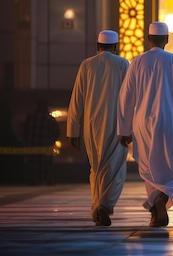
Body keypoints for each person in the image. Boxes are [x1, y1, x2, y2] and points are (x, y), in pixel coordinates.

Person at [117, 22, 173, 227]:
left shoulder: (137, 61)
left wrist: (124, 129)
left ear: (148, 39)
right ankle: (161, 200)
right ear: (167, 39)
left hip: (142, 122)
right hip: (168, 120)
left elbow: (126, 98)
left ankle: (156, 210)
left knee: (148, 167)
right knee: (167, 165)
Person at [67, 30, 129, 226]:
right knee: (115, 168)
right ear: (116, 47)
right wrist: (131, 126)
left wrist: (73, 130)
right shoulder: (122, 64)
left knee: (97, 168)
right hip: (117, 124)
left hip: (91, 125)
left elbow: (76, 100)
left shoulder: (87, 65)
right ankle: (103, 205)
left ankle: (98, 207)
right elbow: (130, 98)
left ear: (97, 46)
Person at [22, 98, 60, 186]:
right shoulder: (50, 120)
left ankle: (33, 180)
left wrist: (27, 141)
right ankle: (47, 179)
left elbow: (24, 131)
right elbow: (57, 134)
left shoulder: (30, 117)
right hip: (46, 148)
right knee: (45, 164)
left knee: (33, 164)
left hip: (32, 148)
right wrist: (51, 141)